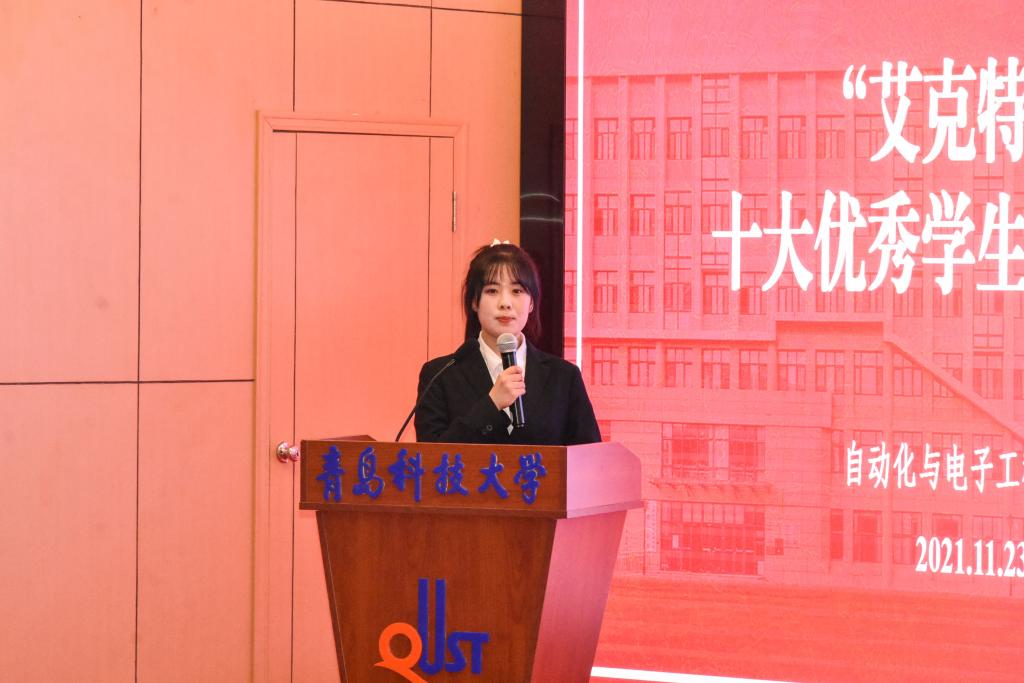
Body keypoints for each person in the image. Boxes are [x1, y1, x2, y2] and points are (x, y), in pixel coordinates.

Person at [415, 242, 601, 445]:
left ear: (531, 303)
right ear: (474, 301)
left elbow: (590, 457)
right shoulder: (439, 375)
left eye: (517, 291)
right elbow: (430, 458)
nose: (505, 303)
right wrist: (491, 404)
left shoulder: (564, 377)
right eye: (492, 291)